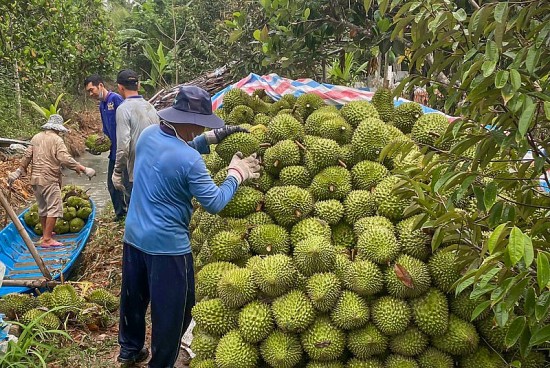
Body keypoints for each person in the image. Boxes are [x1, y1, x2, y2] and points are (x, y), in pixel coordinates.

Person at [117, 86, 260, 367]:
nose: (199, 130)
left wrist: (210, 138)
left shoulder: (148, 136)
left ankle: (129, 350)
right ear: (189, 121)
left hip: (134, 237)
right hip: (168, 248)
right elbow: (215, 202)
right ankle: (162, 363)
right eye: (199, 125)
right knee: (173, 314)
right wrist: (236, 174)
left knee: (133, 300)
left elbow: (171, 154)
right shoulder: (191, 161)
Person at [7, 114, 96, 247]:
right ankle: (47, 239)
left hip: (35, 179)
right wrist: (82, 168)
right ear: (58, 129)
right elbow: (64, 158)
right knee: (54, 208)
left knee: (43, 208)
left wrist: (19, 170)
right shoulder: (57, 140)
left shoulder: (36, 137)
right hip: (49, 179)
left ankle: (45, 234)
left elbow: (27, 156)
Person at [84, 74, 128, 221]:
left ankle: (127, 213)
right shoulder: (102, 104)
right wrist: (99, 145)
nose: (91, 94)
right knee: (112, 184)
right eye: (88, 92)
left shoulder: (115, 99)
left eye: (92, 89)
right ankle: (120, 213)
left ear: (101, 85)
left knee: (126, 183)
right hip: (114, 151)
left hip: (124, 150)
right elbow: (106, 131)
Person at [111, 69, 159, 199]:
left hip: (136, 171)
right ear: (138, 85)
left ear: (120, 87)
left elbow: (123, 145)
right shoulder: (150, 107)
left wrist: (117, 171)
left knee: (137, 211)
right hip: (155, 168)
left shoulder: (123, 109)